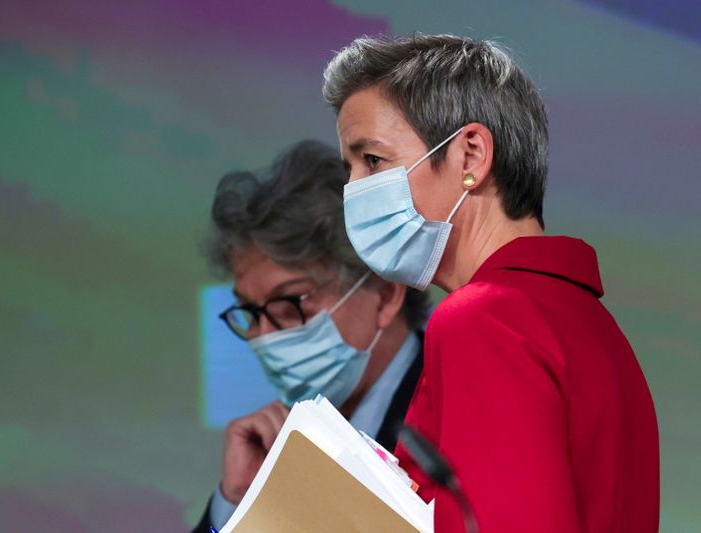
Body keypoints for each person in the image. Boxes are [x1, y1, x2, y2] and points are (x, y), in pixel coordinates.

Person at [323, 34, 659, 532]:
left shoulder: (484, 319)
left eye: (372, 160)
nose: (354, 189)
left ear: (471, 156)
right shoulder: (593, 325)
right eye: (349, 169)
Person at [192, 140, 431, 533]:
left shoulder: (459, 403)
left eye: (289, 303)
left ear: (386, 294)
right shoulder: (282, 445)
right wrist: (237, 501)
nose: (264, 338)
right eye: (250, 314)